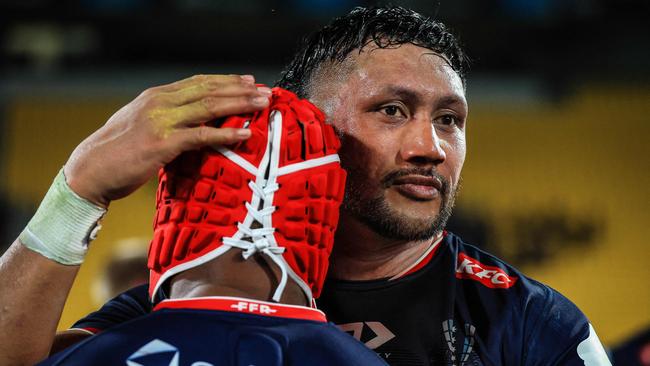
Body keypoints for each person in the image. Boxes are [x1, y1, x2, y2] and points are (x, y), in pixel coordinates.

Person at [0, 6, 612, 366]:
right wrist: (77, 192)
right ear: (314, 130)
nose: (430, 147)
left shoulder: (532, 324)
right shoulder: (201, 295)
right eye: (392, 111)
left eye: (449, 120)